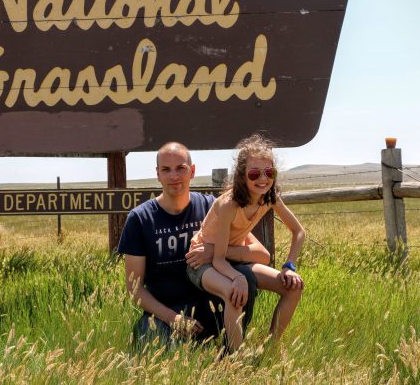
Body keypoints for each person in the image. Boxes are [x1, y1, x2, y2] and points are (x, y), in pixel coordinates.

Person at [117, 141, 270, 347]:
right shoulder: (140, 219)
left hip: (210, 305)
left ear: (192, 171)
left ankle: (229, 353)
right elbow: (134, 288)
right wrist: (174, 318)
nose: (174, 176)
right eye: (166, 169)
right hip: (163, 313)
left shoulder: (212, 206)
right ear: (158, 174)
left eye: (181, 168)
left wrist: (213, 252)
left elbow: (259, 253)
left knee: (246, 278)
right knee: (150, 349)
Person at [187, 133, 305, 351]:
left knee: (294, 288)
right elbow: (219, 260)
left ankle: (269, 350)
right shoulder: (228, 205)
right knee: (234, 293)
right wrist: (238, 277)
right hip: (202, 261)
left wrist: (289, 267)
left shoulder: (269, 197)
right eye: (254, 173)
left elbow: (299, 232)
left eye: (269, 172)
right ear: (242, 176)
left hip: (230, 258)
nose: (263, 179)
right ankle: (236, 361)